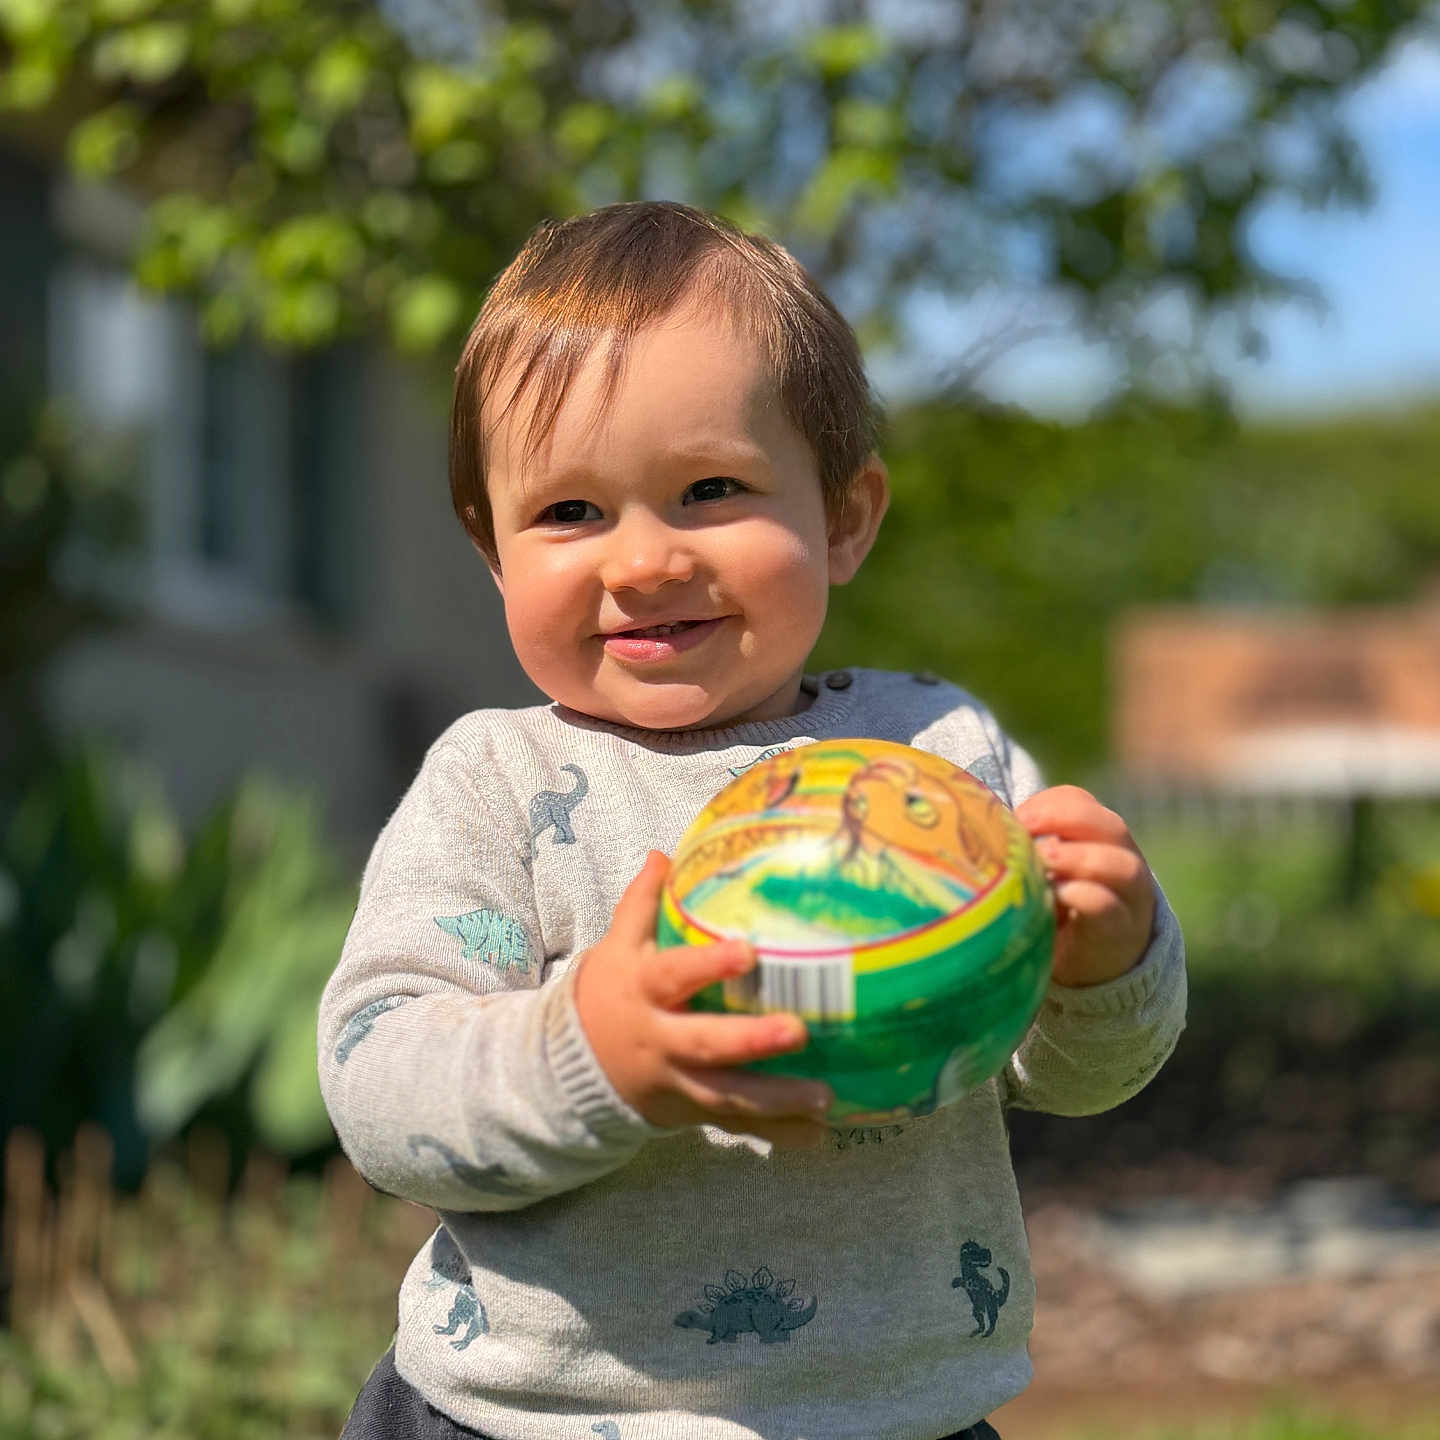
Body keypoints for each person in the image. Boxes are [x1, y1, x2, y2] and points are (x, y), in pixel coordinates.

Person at [319, 200, 1186, 1440]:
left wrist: (1103, 968)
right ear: (492, 548)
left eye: (709, 488)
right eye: (568, 513)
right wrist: (591, 1052)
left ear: (843, 517)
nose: (643, 561)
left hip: (893, 1417)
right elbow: (381, 1087)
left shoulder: (935, 763)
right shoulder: (495, 781)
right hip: (524, 1417)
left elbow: (1070, 1076)